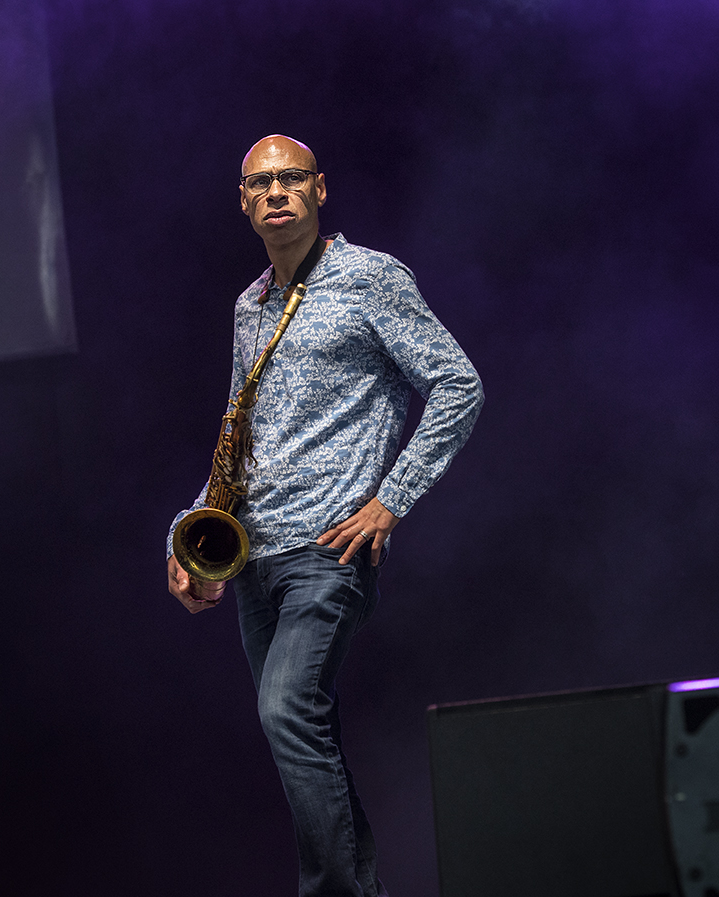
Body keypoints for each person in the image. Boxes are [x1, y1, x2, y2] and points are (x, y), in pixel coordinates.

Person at [167, 135, 482, 897]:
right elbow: (240, 434)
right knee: (300, 732)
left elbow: (457, 384)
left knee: (286, 712)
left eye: (291, 179)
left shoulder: (368, 277)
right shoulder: (250, 306)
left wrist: (390, 499)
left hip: (327, 550)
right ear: (244, 201)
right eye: (260, 183)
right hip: (252, 560)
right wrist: (191, 533)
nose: (277, 192)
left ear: (319, 190)